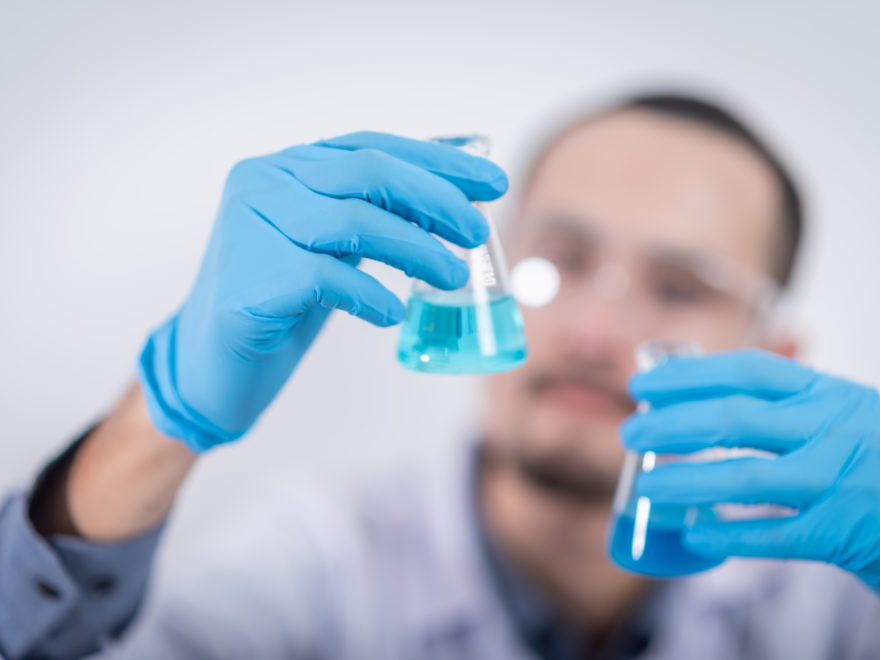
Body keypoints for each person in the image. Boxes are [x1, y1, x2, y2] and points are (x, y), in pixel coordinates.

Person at [2, 91, 879, 660]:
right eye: (561, 261)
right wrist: (162, 417)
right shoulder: (318, 565)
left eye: (679, 287)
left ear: (779, 358)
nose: (593, 330)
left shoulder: (839, 606)